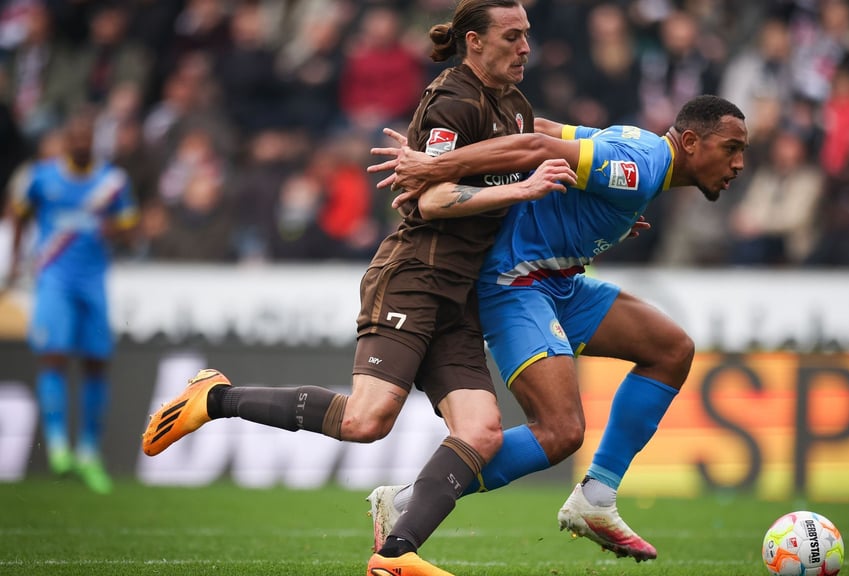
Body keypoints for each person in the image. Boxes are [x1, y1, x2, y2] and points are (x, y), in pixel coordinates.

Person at [139, 2, 573, 575]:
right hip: (414, 278)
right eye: (512, 37)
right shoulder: (452, 101)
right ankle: (214, 397)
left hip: (460, 294)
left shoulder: (516, 107)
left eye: (527, 36)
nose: (525, 48)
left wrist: (583, 216)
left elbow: (534, 175)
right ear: (474, 41)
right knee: (366, 422)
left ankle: (396, 555)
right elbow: (432, 199)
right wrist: (523, 191)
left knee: (482, 432)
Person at [369, 94, 747, 561]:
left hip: (559, 281)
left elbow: (543, 127)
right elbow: (532, 147)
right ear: (691, 142)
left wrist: (598, 214)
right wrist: (434, 164)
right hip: (515, 282)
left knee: (671, 349)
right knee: (561, 430)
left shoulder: (640, 150)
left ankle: (597, 497)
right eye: (731, 148)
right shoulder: (641, 168)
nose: (739, 163)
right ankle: (406, 502)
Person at [3, 111, 139, 494]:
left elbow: (131, 231)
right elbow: (18, 214)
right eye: (74, 137)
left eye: (87, 137)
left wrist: (117, 229)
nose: (80, 143)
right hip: (54, 279)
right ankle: (59, 446)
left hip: (93, 280)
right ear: (65, 142)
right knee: (54, 354)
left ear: (94, 141)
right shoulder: (42, 177)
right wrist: (15, 260)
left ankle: (89, 452)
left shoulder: (112, 182)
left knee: (97, 363)